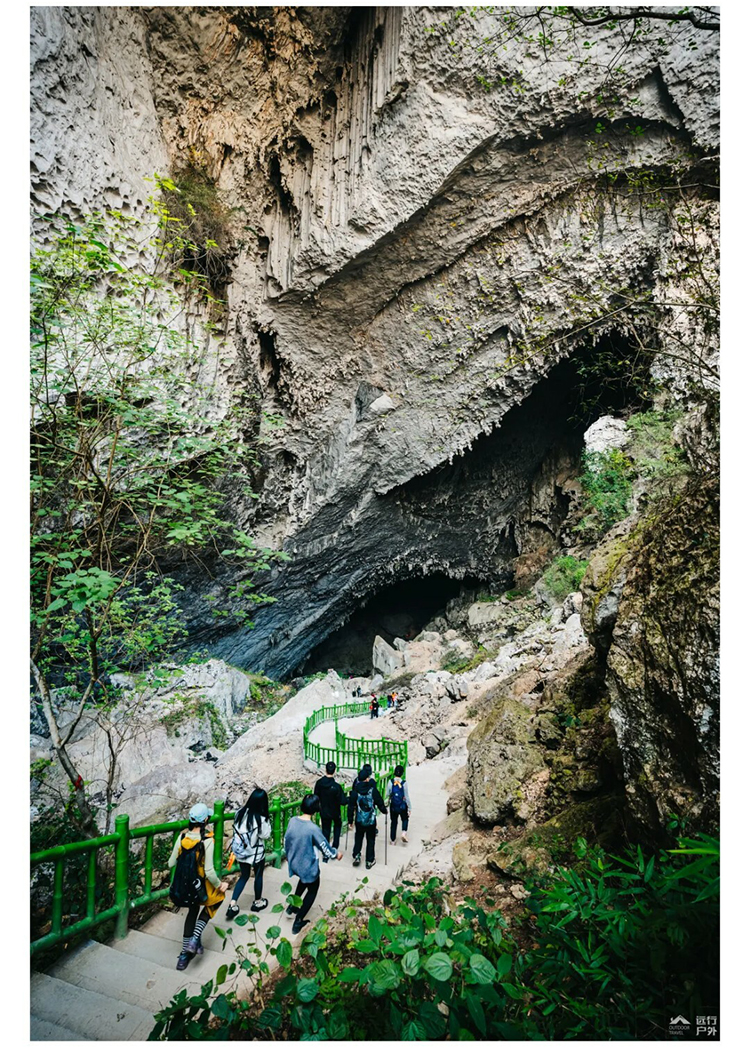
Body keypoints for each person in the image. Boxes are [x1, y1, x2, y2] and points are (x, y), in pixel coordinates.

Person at [168, 802, 229, 971]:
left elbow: (170, 863)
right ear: (206, 820)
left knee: (192, 911)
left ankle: (183, 956)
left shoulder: (182, 838)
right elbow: (209, 871)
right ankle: (195, 938)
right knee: (217, 899)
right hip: (201, 885)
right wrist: (220, 884)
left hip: (186, 886)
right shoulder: (207, 840)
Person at [284, 794, 342, 935]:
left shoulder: (292, 821)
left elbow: (287, 839)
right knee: (313, 888)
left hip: (295, 861)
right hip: (307, 865)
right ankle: (298, 921)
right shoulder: (313, 829)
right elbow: (325, 848)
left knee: (304, 881)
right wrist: (336, 854)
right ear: (316, 808)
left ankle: (292, 905)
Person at [225, 788, 271, 918]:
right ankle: (257, 902)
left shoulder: (239, 813)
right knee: (258, 876)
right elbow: (266, 835)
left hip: (241, 852)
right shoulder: (261, 819)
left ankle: (232, 904)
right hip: (255, 853)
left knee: (244, 876)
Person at [348, 764, 387, 870]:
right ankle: (369, 860)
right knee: (371, 840)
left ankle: (356, 855)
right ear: (366, 779)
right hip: (371, 819)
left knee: (358, 837)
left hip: (359, 819)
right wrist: (384, 811)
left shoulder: (355, 792)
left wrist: (350, 820)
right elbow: (379, 801)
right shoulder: (372, 790)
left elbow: (351, 807)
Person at [314, 761, 346, 857]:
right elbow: (343, 801)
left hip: (324, 811)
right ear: (334, 771)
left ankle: (325, 852)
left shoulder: (319, 783)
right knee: (337, 827)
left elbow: (316, 797)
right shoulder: (336, 787)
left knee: (325, 830)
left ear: (325, 769)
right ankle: (335, 847)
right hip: (335, 812)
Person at [385, 764, 411, 844]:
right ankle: (403, 832)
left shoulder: (390, 782)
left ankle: (393, 840)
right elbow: (406, 796)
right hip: (402, 805)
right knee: (405, 819)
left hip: (393, 805)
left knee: (394, 822)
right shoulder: (404, 783)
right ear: (402, 774)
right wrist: (409, 807)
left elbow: (387, 794)